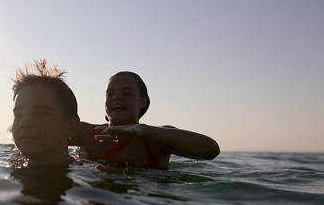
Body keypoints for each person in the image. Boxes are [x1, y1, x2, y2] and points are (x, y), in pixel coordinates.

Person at [70, 71, 220, 169]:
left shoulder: (155, 140)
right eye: (110, 94)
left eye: (126, 93)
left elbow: (211, 150)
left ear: (142, 101)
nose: (116, 97)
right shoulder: (86, 133)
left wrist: (142, 131)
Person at [11, 59, 80, 166]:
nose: (24, 123)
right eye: (18, 115)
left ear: (71, 127)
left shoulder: (94, 177)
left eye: (41, 113)